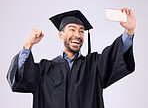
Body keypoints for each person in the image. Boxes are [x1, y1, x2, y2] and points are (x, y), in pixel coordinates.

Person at [7, 8, 136, 108]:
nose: (77, 35)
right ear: (60, 35)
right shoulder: (43, 70)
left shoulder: (94, 66)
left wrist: (129, 31)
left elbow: (114, 56)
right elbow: (19, 78)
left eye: (81, 31)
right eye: (72, 29)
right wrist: (29, 44)